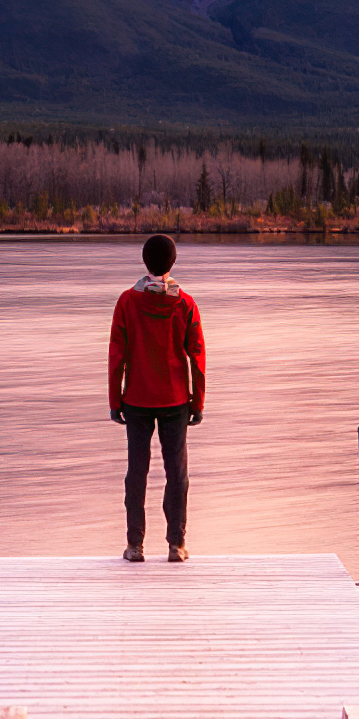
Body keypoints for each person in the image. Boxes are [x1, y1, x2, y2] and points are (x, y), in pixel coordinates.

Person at [107, 232, 206, 561]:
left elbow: (116, 355)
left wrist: (114, 399)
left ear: (144, 262)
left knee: (137, 471)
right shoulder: (186, 303)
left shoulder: (127, 301)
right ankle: (176, 545)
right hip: (176, 399)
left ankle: (135, 545)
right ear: (173, 262)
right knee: (176, 474)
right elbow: (197, 356)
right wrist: (198, 401)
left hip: (136, 398)